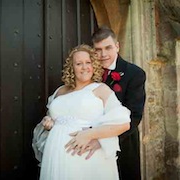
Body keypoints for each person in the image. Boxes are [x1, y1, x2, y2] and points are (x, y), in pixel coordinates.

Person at [32, 44, 131, 180]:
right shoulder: (60, 91)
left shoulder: (101, 89)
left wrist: (88, 134)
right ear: (72, 68)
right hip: (56, 156)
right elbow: (52, 117)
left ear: (94, 65)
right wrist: (48, 122)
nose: (84, 67)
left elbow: (123, 124)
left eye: (88, 62)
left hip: (86, 158)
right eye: (79, 63)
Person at [65, 26, 146, 180]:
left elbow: (134, 116)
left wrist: (102, 140)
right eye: (98, 50)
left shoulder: (135, 74)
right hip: (86, 143)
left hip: (122, 143)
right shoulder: (87, 71)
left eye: (108, 48)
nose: (103, 54)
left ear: (117, 46)